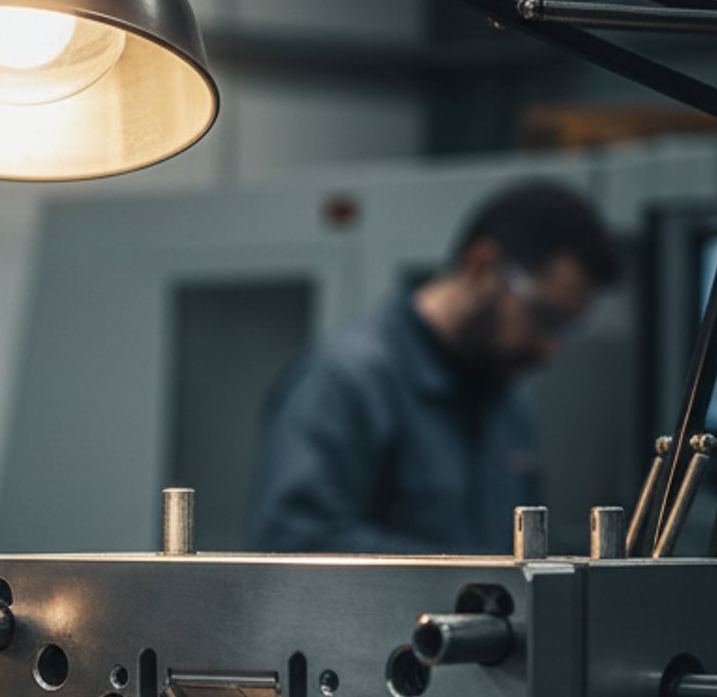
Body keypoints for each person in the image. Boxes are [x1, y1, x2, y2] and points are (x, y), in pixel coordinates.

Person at [247, 180, 619, 554]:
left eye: (567, 329)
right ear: (482, 267)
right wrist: (459, 581)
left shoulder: (507, 405)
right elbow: (296, 545)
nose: (550, 349)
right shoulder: (349, 380)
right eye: (544, 316)